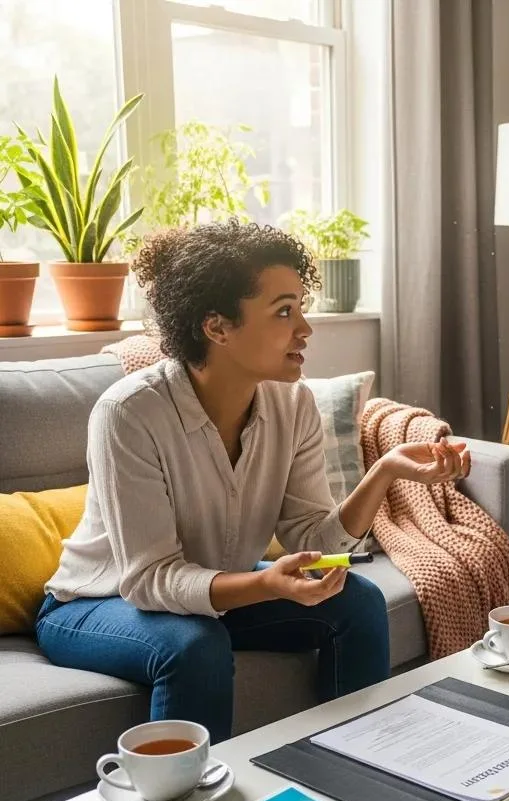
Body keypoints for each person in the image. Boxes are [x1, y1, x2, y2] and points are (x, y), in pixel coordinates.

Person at [37, 220, 470, 744]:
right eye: (284, 311)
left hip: (219, 584)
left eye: (301, 308)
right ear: (217, 327)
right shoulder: (130, 413)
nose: (305, 328)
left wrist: (385, 472)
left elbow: (313, 539)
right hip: (95, 603)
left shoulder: (293, 402)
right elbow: (149, 580)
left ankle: (362, 761)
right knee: (194, 644)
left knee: (358, 601)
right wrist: (264, 583)